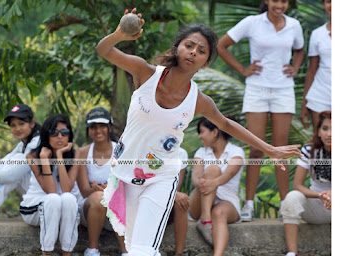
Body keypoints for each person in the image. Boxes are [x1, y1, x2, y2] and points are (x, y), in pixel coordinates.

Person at [96, 8, 301, 256]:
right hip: (126, 172)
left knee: (142, 248)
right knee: (133, 246)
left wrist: (270, 149)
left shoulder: (198, 101)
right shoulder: (145, 73)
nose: (193, 52)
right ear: (177, 48)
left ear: (205, 63)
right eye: (189, 45)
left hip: (162, 177)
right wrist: (119, 34)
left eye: (201, 51)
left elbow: (226, 124)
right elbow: (103, 50)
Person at [217, 0, 305, 221]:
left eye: (284, 1)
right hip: (256, 89)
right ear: (267, 0)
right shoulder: (252, 22)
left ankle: (286, 205)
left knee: (280, 149)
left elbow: (300, 49)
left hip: (283, 89)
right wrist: (242, 70)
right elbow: (221, 45)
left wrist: (295, 66)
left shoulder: (294, 25)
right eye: (276, 0)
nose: (280, 5)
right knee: (256, 148)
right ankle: (248, 204)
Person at [20, 114, 81, 256]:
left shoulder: (75, 154)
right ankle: (46, 253)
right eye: (54, 132)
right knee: (54, 199)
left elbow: (67, 189)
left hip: (62, 207)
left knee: (69, 198)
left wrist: (59, 156)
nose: (60, 136)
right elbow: (50, 190)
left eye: (64, 133)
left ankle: (67, 252)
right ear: (46, 135)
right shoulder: (33, 156)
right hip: (34, 208)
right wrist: (44, 159)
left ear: (69, 135)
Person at [188, 117, 244, 256]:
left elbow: (230, 173)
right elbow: (195, 176)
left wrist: (213, 183)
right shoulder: (201, 152)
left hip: (227, 200)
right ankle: (205, 219)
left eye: (202, 131)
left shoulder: (236, 152)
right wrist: (202, 182)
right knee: (213, 170)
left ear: (214, 132)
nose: (200, 136)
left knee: (218, 213)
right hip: (200, 200)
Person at [76, 107, 128, 256]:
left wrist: (111, 189)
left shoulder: (121, 151)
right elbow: (84, 190)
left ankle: (126, 251)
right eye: (93, 127)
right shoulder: (82, 153)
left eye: (102, 126)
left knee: (113, 196)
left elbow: (129, 184)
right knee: (101, 197)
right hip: (90, 209)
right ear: (88, 130)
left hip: (117, 209)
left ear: (109, 128)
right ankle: (92, 249)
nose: (98, 130)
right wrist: (97, 189)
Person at [280, 111, 331, 256]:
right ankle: (292, 253)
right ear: (319, 132)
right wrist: (320, 195)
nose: (329, 134)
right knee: (292, 196)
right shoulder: (309, 150)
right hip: (317, 206)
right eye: (325, 128)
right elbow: (297, 185)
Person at [301, 0, 331, 132]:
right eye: (329, 1)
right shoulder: (317, 34)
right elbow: (312, 70)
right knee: (320, 143)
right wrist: (304, 102)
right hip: (320, 96)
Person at [163, 147, 189, 256]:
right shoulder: (146, 150)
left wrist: (172, 194)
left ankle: (179, 253)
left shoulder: (181, 153)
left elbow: (176, 187)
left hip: (167, 201)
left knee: (182, 201)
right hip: (146, 198)